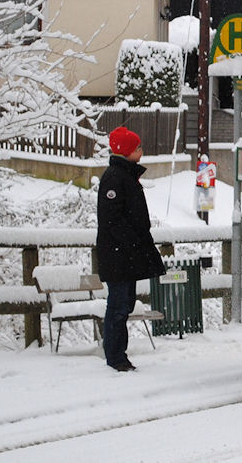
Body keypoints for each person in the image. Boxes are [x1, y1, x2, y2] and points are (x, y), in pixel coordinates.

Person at [96, 126, 165, 372]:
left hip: (124, 255)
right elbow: (112, 219)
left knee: (124, 304)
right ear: (126, 152)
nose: (141, 151)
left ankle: (118, 354)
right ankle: (115, 356)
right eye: (137, 148)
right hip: (119, 256)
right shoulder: (115, 178)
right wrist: (134, 243)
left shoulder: (125, 176)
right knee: (118, 305)